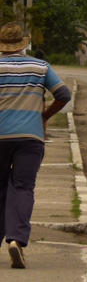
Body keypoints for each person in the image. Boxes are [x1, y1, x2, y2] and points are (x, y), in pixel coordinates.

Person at [0, 22, 71, 269]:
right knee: (22, 188)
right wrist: (45, 116)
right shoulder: (40, 67)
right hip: (30, 138)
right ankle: (16, 240)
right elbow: (63, 94)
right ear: (23, 43)